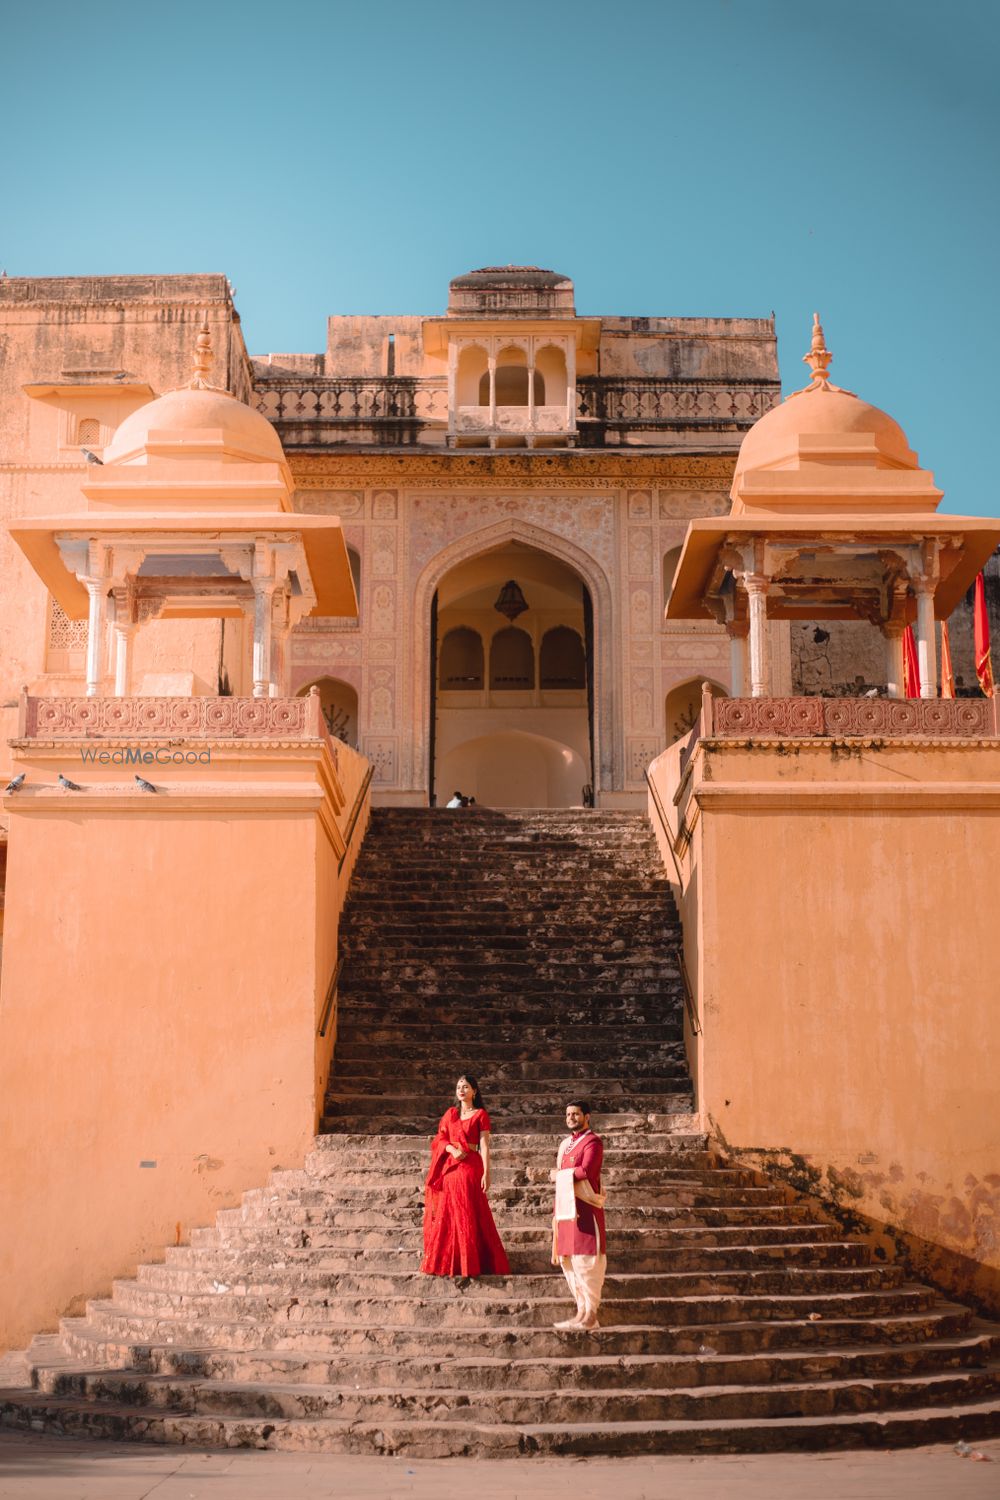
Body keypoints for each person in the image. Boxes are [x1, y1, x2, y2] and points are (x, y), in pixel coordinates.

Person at [421, 1074, 510, 1277]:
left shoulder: (480, 1115)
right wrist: (452, 1150)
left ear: (474, 1091)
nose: (461, 1090)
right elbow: (439, 1140)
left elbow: (485, 1146)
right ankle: (449, 1261)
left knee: (469, 1209)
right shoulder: (451, 1114)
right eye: (459, 1086)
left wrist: (487, 1173)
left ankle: (471, 1262)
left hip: (471, 1165)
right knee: (449, 1211)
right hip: (451, 1166)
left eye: (466, 1087)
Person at [550, 1098, 606, 1330]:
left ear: (587, 1116)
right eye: (568, 1115)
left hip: (586, 1207)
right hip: (566, 1210)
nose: (571, 1118)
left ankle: (592, 1315)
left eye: (575, 1114)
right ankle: (581, 1311)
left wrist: (557, 1175)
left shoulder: (593, 1142)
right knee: (570, 1263)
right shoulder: (566, 1145)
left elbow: (587, 1171)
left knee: (586, 1262)